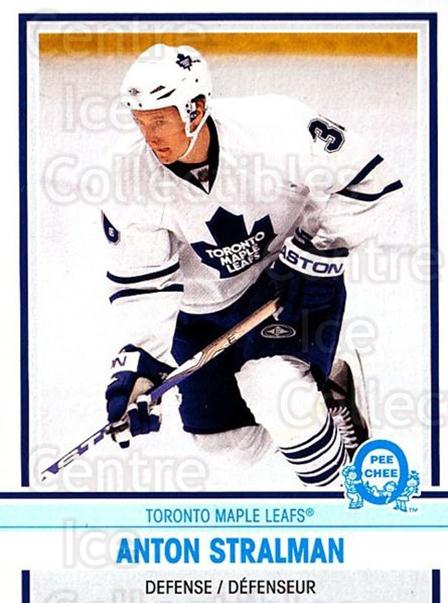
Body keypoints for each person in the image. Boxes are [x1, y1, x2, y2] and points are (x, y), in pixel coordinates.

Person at [103, 43, 403, 487]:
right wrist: (143, 363)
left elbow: (373, 183)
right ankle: (322, 387)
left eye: (160, 120)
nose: (149, 135)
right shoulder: (127, 176)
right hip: (201, 314)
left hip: (286, 285)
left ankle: (344, 487)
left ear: (195, 109)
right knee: (229, 448)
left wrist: (315, 252)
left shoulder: (275, 127)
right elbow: (143, 283)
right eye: (140, 121)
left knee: (276, 391)